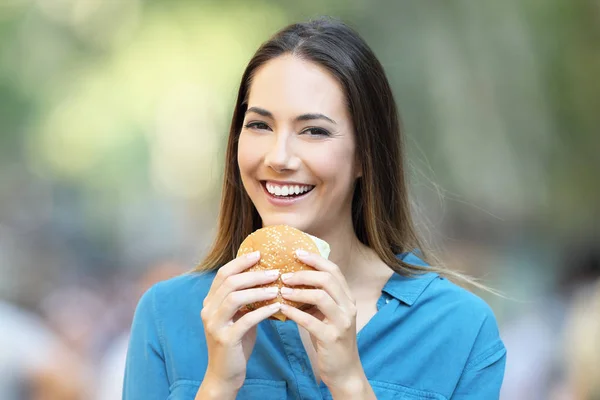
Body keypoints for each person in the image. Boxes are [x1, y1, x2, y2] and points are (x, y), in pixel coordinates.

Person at [123, 17, 506, 399]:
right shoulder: (167, 314)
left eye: (314, 131)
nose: (279, 157)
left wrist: (350, 385)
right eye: (259, 125)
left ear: (365, 155)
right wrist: (218, 385)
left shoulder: (459, 328)